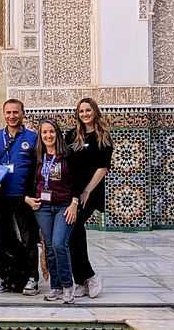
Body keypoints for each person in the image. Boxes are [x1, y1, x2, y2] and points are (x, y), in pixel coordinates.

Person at [25, 118, 79, 304]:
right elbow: (27, 180)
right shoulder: (37, 155)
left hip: (64, 206)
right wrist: (27, 199)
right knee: (48, 247)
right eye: (44, 132)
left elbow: (77, 181)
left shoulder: (68, 154)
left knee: (59, 244)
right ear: (40, 135)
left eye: (51, 131)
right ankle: (55, 286)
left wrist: (74, 203)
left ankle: (67, 285)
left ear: (57, 133)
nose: (48, 135)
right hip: (43, 207)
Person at [0, 99, 40, 295]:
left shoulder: (33, 138)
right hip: (1, 196)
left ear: (23, 113)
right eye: (8, 112)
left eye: (15, 112)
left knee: (28, 239)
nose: (12, 116)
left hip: (23, 197)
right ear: (3, 114)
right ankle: (5, 276)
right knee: (2, 238)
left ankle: (32, 278)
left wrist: (32, 195)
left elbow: (37, 168)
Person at [67, 98, 113, 299]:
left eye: (88, 110)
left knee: (74, 227)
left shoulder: (103, 137)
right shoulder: (72, 135)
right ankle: (82, 280)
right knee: (73, 232)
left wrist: (86, 191)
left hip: (90, 192)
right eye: (81, 111)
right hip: (73, 192)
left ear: (95, 111)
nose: (85, 114)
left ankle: (90, 276)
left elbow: (102, 168)